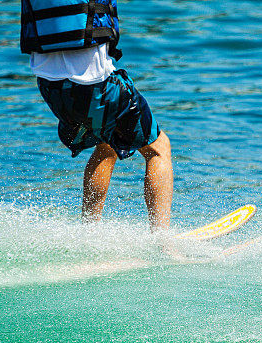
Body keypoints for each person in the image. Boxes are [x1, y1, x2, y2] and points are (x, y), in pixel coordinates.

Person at [20, 0, 173, 230]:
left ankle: (89, 233)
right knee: (158, 149)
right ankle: (163, 242)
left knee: (106, 144)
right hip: (94, 86)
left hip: (51, 88)